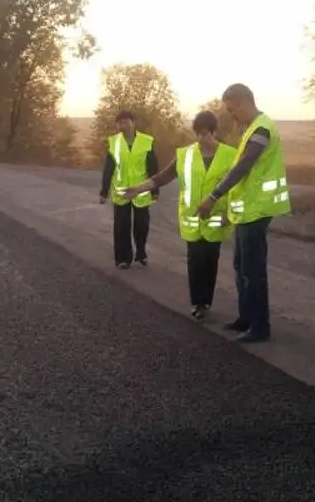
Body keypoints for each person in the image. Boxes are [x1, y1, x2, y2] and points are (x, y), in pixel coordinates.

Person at [195, 84, 290, 343]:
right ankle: (246, 318)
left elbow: (244, 166)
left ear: (244, 102)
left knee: (253, 270)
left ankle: (260, 327)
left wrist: (213, 196)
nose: (231, 114)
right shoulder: (248, 128)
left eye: (232, 109)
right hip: (246, 210)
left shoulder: (261, 128)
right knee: (240, 267)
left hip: (258, 210)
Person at [122, 110, 237, 320]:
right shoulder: (185, 155)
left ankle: (206, 300)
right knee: (195, 261)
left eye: (206, 134)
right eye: (198, 134)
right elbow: (162, 177)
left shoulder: (230, 156)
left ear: (214, 132)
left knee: (210, 262)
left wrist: (230, 215)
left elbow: (239, 189)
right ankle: (197, 303)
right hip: (192, 220)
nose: (202, 139)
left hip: (216, 220)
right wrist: (139, 188)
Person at [99, 110, 159, 269]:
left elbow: (153, 167)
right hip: (122, 191)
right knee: (121, 226)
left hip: (141, 189)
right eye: (119, 122)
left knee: (142, 225)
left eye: (125, 122)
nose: (122, 125)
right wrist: (104, 191)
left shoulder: (146, 141)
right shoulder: (114, 143)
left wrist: (155, 189)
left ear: (134, 122)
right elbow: (108, 168)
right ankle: (123, 258)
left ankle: (141, 252)